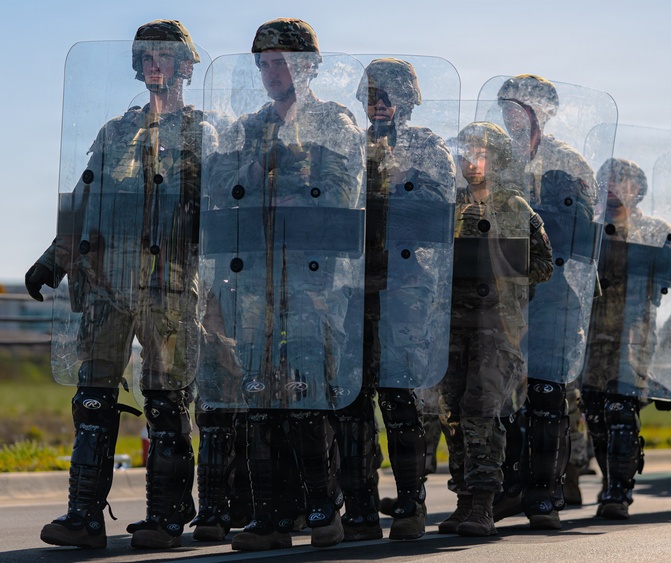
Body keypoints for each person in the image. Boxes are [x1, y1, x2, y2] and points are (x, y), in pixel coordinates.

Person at [27, 20, 211, 549]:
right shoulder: (115, 131)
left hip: (169, 287)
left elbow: (222, 216)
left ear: (184, 65)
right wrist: (52, 261)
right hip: (107, 287)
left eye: (163, 55)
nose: (153, 63)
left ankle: (167, 518)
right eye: (145, 55)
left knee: (166, 401)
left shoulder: (205, 133)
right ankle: (83, 517)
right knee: (92, 399)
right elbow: (83, 208)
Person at [202, 18, 365, 551]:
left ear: (308, 66)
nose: (272, 74)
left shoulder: (333, 121)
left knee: (307, 389)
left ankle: (322, 508)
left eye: (282, 63)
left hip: (312, 276)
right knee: (260, 394)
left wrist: (282, 187)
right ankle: (269, 516)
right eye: (265, 65)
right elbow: (221, 184)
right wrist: (253, 174)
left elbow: (341, 189)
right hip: (254, 277)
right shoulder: (249, 125)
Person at [331, 57, 455, 541]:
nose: (377, 103)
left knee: (399, 398)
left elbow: (439, 212)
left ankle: (409, 505)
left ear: (407, 98)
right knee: (352, 401)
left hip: (405, 285)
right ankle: (359, 508)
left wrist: (397, 187)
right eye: (371, 94)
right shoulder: (349, 146)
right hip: (351, 287)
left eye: (387, 94)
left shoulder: (429, 147)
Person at [437, 121, 553, 537]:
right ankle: (463, 498)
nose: (472, 162)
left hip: (496, 325)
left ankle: (484, 503)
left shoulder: (515, 207)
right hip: (452, 323)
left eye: (481, 153)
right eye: (466, 153)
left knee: (482, 412)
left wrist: (503, 267)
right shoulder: (448, 204)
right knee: (451, 413)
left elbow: (545, 265)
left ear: (498, 159)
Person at [494, 74, 599, 529]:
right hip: (504, 291)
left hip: (556, 291)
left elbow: (581, 231)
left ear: (542, 111)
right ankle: (509, 488)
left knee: (546, 393)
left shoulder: (568, 161)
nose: (509, 116)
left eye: (518, 107)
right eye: (505, 108)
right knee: (503, 394)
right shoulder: (495, 158)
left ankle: (545, 494)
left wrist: (542, 206)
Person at [581, 158, 671, 519]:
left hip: (633, 336)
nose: (612, 186)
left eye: (621, 180)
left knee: (621, 410)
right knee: (595, 414)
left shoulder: (656, 231)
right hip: (592, 336)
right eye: (607, 179)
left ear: (638, 189)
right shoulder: (590, 229)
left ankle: (619, 492)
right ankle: (610, 480)